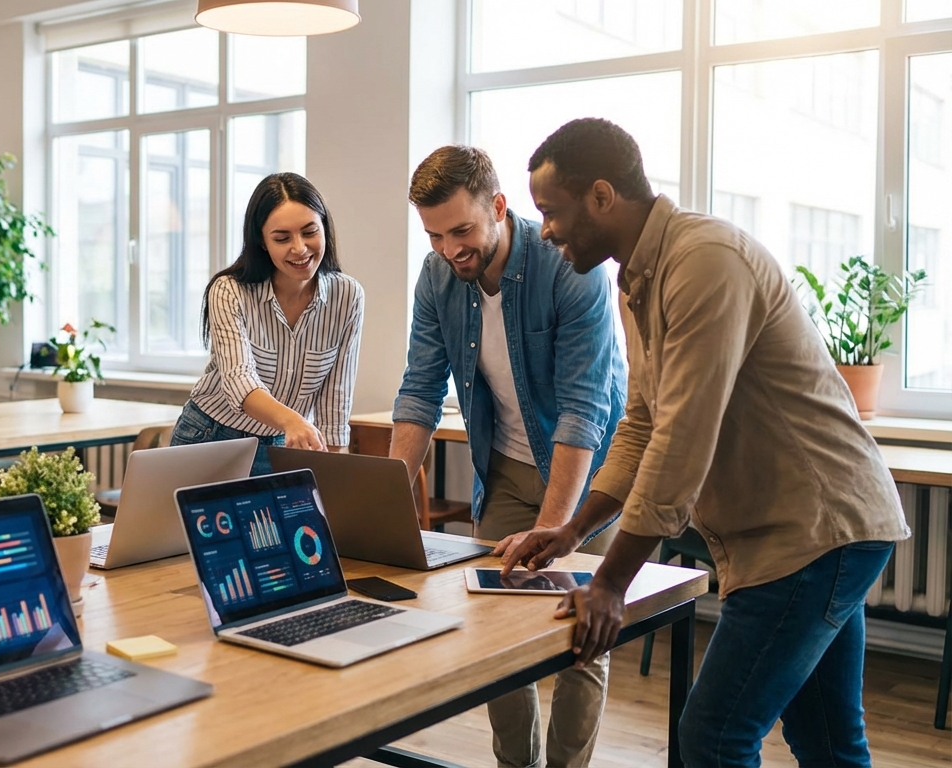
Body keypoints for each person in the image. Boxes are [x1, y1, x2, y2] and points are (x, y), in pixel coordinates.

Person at [503, 118, 909, 767]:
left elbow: (681, 441)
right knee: (828, 744)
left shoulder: (704, 261)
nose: (544, 230)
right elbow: (641, 424)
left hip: (813, 532)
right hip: (817, 532)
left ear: (603, 196)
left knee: (712, 741)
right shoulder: (636, 279)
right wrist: (575, 530)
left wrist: (610, 583)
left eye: (551, 211)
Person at [390, 145, 626, 768]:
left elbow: (583, 410)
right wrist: (388, 500)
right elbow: (419, 389)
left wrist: (559, 530)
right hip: (504, 470)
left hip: (591, 473)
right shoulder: (437, 275)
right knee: (495, 633)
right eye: (435, 235)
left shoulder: (570, 267)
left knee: (581, 635)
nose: (449, 249)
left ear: (498, 207)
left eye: (462, 231)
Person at [172, 172, 364, 476]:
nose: (300, 248)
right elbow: (239, 379)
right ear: (262, 242)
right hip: (210, 437)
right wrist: (292, 420)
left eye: (309, 232)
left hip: (283, 446)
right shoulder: (229, 290)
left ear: (324, 228)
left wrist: (333, 472)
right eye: (282, 238)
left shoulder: (348, 295)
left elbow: (336, 397)